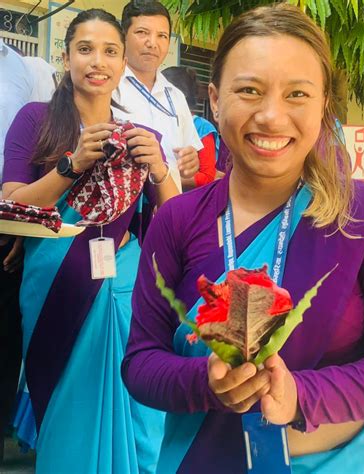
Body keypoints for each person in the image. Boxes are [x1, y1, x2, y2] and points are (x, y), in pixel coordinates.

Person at [122, 4, 364, 474]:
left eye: (297, 94)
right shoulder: (178, 220)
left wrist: (302, 395)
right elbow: (142, 363)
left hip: (338, 463)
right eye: (249, 90)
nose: (271, 116)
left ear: (323, 104)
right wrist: (205, 381)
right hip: (203, 460)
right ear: (214, 98)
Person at [2, 9, 177, 473]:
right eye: (85, 49)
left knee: (138, 410)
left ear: (122, 63)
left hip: (126, 289)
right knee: (66, 404)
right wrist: (71, 163)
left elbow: (176, 220)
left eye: (109, 51)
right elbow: (11, 203)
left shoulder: (142, 135)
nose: (97, 61)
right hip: (54, 287)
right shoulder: (35, 120)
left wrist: (158, 169)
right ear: (66, 55)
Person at [113, 1, 202, 192]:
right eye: (142, 33)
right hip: (121, 212)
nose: (152, 43)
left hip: (168, 211)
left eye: (162, 36)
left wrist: (191, 161)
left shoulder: (176, 96)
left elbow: (190, 158)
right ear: (123, 36)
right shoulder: (109, 87)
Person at [0, 38, 33, 462]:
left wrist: (23, 230)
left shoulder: (22, 67)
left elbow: (34, 160)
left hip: (6, 226)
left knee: (6, 342)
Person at [162, 66, 218, 188]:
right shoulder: (160, 122)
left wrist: (162, 177)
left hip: (181, 202)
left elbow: (207, 177)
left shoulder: (202, 127)